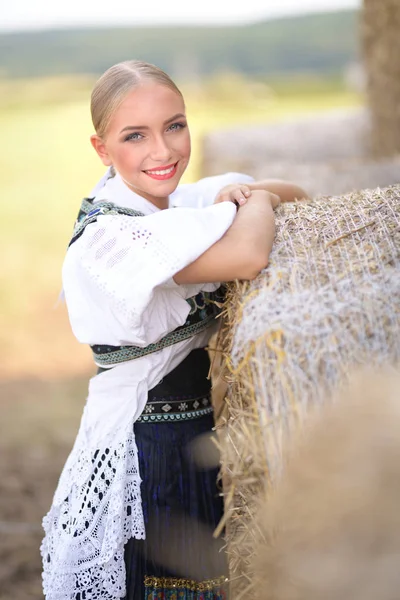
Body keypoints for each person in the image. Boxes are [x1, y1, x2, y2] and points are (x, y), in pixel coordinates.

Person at [40, 60, 308, 600]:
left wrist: (248, 194)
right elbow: (251, 254)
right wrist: (254, 201)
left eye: (175, 126)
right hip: (151, 448)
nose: (162, 152)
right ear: (101, 149)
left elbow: (294, 191)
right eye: (134, 136)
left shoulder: (173, 205)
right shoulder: (114, 238)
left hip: (196, 435)